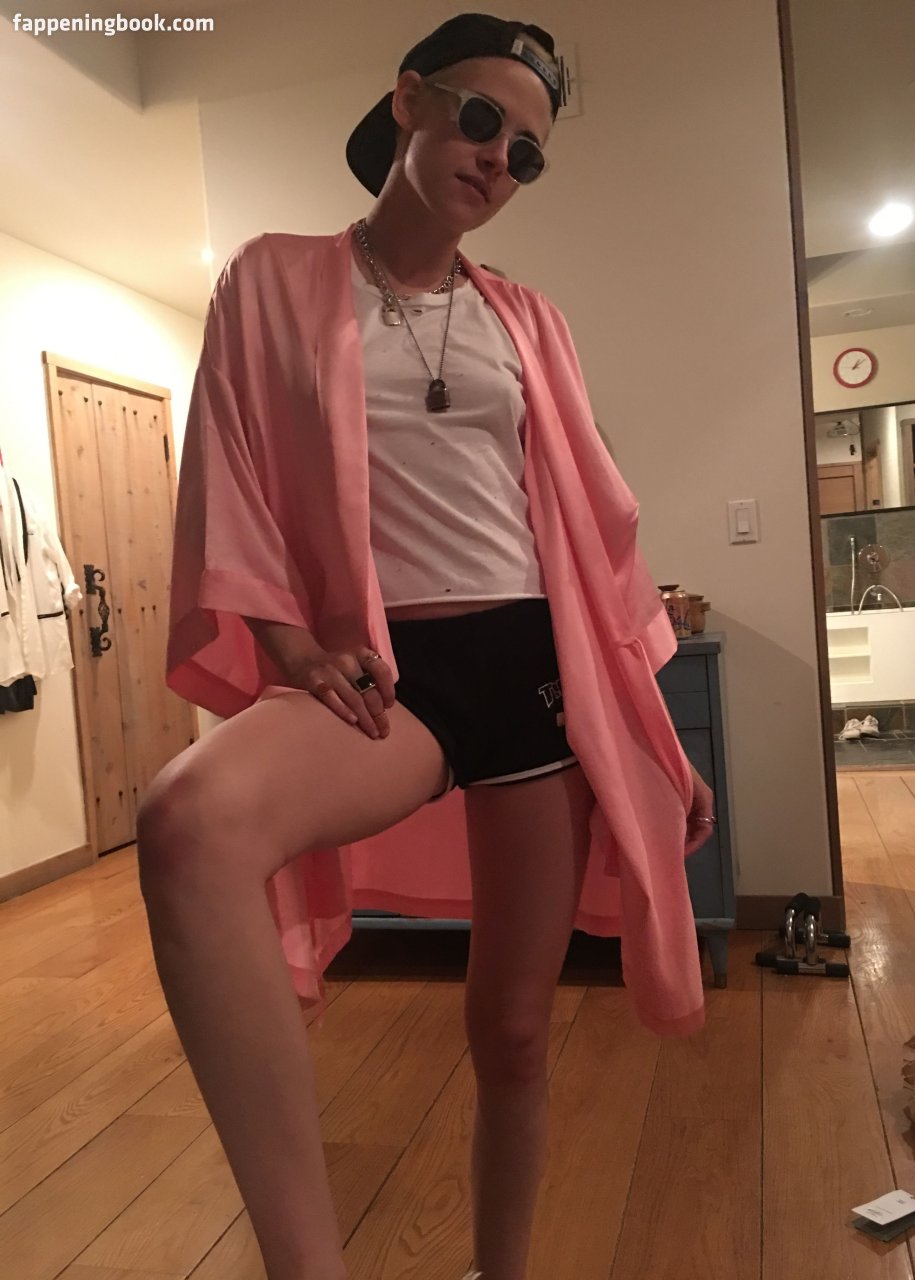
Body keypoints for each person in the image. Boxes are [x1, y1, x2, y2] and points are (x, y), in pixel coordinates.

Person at [137, 13, 717, 1280]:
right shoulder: (271, 279)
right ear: (408, 101)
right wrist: (289, 643)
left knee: (512, 1032)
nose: (500, 158)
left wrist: (654, 738)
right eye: (481, 119)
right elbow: (229, 469)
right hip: (388, 675)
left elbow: (597, 528)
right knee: (187, 823)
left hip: (542, 672)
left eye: (528, 153)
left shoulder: (529, 319)